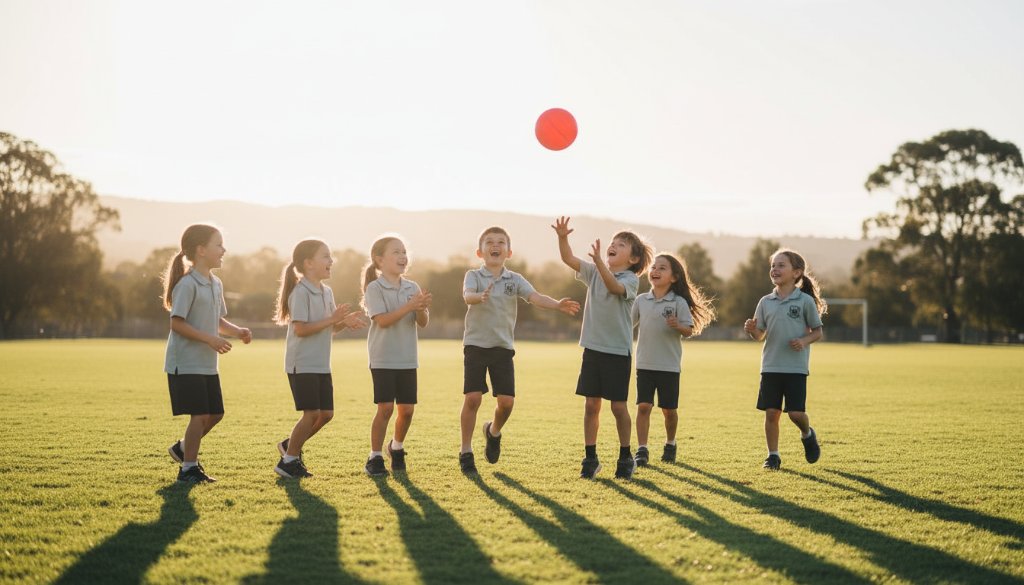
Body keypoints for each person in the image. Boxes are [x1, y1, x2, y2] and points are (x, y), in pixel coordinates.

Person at [458, 226, 580, 473]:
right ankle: (466, 451)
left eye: (501, 242)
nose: (495, 245)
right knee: (473, 398)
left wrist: (556, 304)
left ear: (508, 252)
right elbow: (467, 296)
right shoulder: (474, 276)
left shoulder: (515, 280)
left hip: (503, 348)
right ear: (480, 252)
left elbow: (535, 297)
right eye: (490, 242)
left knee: (506, 403)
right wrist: (479, 296)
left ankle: (493, 432)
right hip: (476, 345)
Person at [552, 216, 652, 480]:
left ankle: (625, 456)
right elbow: (569, 259)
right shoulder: (594, 270)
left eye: (621, 245)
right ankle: (591, 458)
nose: (614, 246)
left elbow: (613, 286)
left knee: (618, 408)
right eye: (613, 243)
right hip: (592, 350)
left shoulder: (630, 280)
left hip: (618, 352)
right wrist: (563, 238)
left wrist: (598, 262)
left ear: (632, 259)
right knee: (590, 406)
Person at [163, 224, 251, 484]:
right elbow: (176, 323)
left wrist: (237, 331)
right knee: (199, 415)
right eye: (219, 244)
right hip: (185, 363)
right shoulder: (187, 284)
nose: (224, 250)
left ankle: (182, 449)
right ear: (201, 250)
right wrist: (209, 339)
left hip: (206, 363)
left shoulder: (215, 283)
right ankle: (188, 468)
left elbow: (217, 320)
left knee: (215, 415)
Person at [272, 239, 365, 479]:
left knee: (326, 414)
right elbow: (301, 329)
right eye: (325, 256)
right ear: (308, 263)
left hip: (321, 363)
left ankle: (289, 446)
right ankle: (289, 461)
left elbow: (330, 329)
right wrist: (333, 319)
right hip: (301, 363)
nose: (330, 261)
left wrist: (344, 322)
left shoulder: (327, 292)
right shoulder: (300, 292)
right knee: (311, 414)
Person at [743, 248, 827, 470]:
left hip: (796, 367)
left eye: (781, 265)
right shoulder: (765, 301)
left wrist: (804, 340)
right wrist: (752, 330)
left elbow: (817, 332)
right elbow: (760, 335)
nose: (775, 269)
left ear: (796, 272)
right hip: (770, 366)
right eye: (773, 265)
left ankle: (807, 434)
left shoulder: (804, 301)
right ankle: (773, 456)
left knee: (796, 414)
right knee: (772, 412)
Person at [631, 253, 715, 466]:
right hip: (644, 364)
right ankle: (642, 449)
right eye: (654, 268)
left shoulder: (678, 302)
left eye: (662, 268)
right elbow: (626, 324)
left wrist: (678, 325)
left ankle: (670, 443)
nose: (655, 271)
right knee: (643, 407)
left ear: (674, 277)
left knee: (669, 410)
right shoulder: (641, 300)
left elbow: (688, 330)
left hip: (668, 366)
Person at [360, 236, 431, 477]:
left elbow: (423, 323)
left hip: (407, 358)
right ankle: (375, 457)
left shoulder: (413, 288)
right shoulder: (374, 288)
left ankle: (396, 447)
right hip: (383, 358)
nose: (402, 256)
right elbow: (383, 320)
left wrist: (420, 309)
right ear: (379, 259)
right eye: (396, 252)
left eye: (404, 251)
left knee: (407, 410)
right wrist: (410, 307)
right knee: (386, 408)